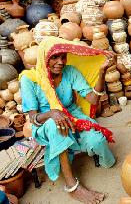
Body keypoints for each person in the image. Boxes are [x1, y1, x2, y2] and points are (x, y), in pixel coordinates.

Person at [20, 37, 116, 204]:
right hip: (45, 124)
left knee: (98, 141)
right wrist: (51, 113)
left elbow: (93, 99)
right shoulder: (30, 79)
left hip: (73, 117)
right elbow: (33, 118)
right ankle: (73, 187)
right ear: (44, 58)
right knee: (55, 125)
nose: (60, 62)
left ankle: (69, 147)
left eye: (63, 57)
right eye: (54, 57)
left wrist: (102, 73)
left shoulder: (70, 72)